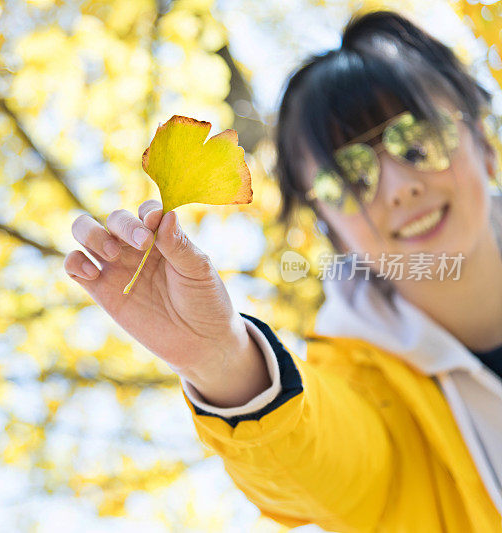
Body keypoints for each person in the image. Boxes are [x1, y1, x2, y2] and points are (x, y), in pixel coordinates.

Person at [65, 10, 502, 532]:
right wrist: (222, 361)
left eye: (417, 142)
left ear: (485, 143)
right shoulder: (362, 394)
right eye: (348, 179)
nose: (398, 187)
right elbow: (319, 463)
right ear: (332, 229)